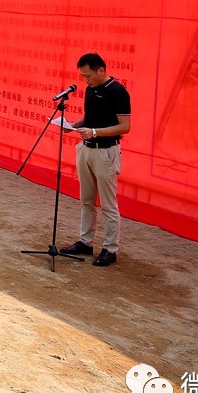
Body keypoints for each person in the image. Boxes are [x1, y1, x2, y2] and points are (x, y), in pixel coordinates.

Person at [60, 52, 132, 267]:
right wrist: (71, 125)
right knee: (86, 199)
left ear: (102, 70)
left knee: (108, 204)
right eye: (82, 76)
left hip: (106, 151)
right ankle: (85, 241)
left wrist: (95, 132)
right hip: (86, 149)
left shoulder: (118, 92)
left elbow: (124, 126)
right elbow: (89, 117)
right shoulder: (91, 90)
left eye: (88, 75)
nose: (85, 80)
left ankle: (110, 249)